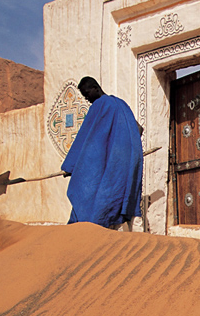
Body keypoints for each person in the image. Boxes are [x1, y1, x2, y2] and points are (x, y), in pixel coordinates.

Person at [61, 77, 144, 229]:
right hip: (125, 163)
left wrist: (71, 166)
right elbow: (139, 129)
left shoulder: (100, 104)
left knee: (91, 191)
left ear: (95, 88)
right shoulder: (121, 104)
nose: (87, 99)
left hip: (110, 163)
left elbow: (85, 137)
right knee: (118, 194)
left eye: (87, 94)